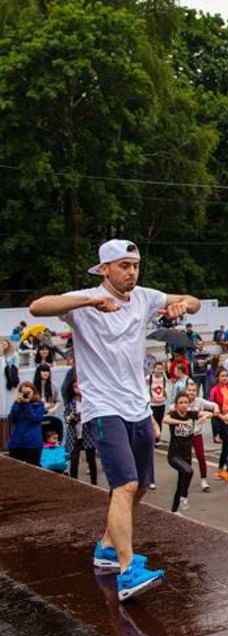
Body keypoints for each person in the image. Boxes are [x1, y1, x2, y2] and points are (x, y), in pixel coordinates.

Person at [29, 238, 200, 601]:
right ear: (105, 268)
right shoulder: (84, 300)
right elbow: (38, 306)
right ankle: (127, 571)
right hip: (103, 406)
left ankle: (107, 546)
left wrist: (184, 304)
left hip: (137, 405)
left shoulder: (145, 297)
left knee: (140, 487)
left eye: (135, 266)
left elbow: (193, 300)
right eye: (124, 266)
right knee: (123, 484)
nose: (132, 272)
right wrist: (90, 300)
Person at [163, 393, 211, 514]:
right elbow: (165, 419)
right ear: (176, 405)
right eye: (181, 403)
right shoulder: (173, 414)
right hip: (174, 455)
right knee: (189, 471)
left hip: (186, 455)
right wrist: (182, 423)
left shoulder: (191, 414)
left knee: (181, 482)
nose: (184, 405)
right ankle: (184, 497)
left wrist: (205, 416)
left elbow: (210, 413)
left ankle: (174, 510)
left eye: (186, 402)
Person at [8, 381, 45, 465]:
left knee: (33, 469)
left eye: (28, 393)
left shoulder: (39, 405)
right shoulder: (17, 404)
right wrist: (17, 403)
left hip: (33, 443)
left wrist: (27, 404)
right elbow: (12, 418)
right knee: (15, 470)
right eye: (23, 392)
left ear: (34, 392)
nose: (26, 395)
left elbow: (35, 419)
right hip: (17, 442)